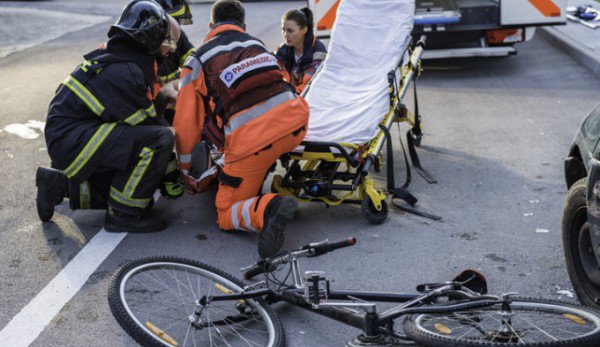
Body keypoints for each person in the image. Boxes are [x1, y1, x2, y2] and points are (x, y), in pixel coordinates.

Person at [174, 0, 309, 258]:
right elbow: (282, 81)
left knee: (225, 212)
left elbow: (186, 124)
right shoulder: (256, 45)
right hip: (296, 125)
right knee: (256, 150)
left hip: (254, 144)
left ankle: (270, 208)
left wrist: (186, 171)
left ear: (211, 25)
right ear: (243, 26)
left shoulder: (197, 59)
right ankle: (259, 173)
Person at [36, 0, 179, 232]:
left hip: (71, 138)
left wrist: (163, 100)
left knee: (135, 188)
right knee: (159, 141)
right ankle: (123, 216)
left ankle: (57, 185)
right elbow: (155, 131)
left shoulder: (119, 59)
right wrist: (174, 178)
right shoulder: (126, 73)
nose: (169, 47)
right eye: (164, 39)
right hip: (71, 142)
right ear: (150, 39)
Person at [275, 7, 327, 94]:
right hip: (289, 97)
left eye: (290, 31)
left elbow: (308, 87)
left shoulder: (318, 52)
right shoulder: (281, 50)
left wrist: (286, 92)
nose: (285, 35)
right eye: (283, 30)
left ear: (304, 30)